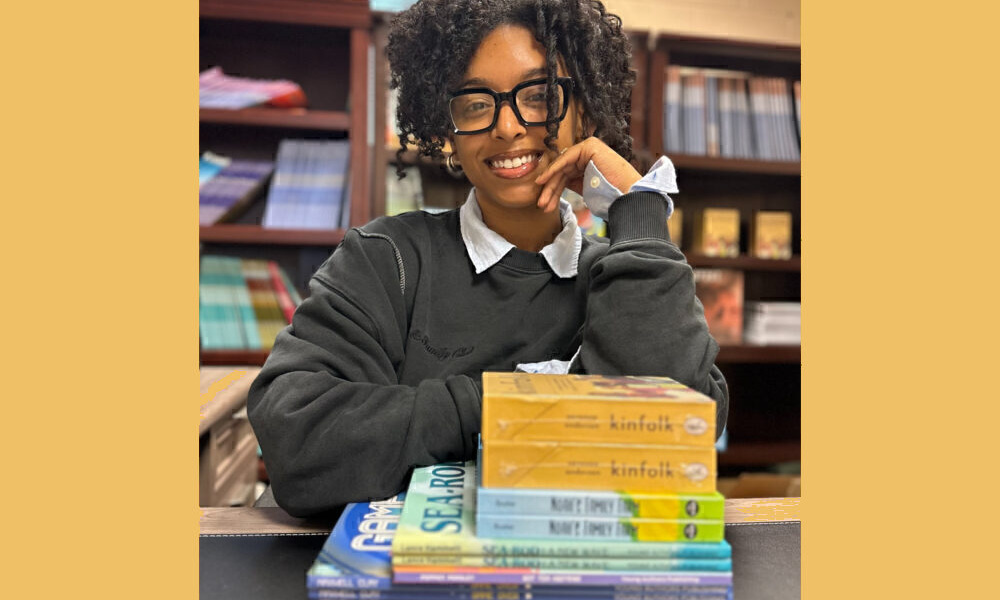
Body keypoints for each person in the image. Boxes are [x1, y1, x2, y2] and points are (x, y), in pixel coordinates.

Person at [247, 0, 729, 517]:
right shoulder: (385, 260)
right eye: (476, 104)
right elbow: (298, 439)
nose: (506, 126)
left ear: (583, 112)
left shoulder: (629, 277)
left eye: (540, 95)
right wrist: (523, 404)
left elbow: (673, 433)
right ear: (448, 132)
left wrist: (639, 210)